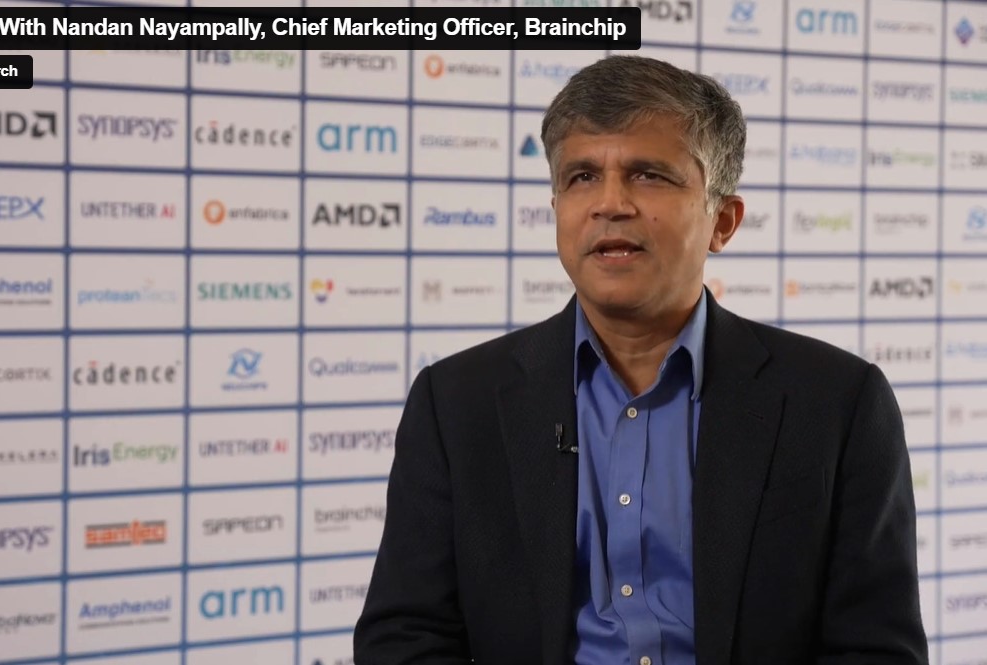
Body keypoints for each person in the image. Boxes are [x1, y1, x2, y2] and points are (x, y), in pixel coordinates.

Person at [353, 55, 927, 665]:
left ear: (722, 221)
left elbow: (876, 650)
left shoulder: (838, 403)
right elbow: (404, 638)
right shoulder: (455, 402)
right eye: (581, 177)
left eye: (648, 175)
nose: (610, 204)